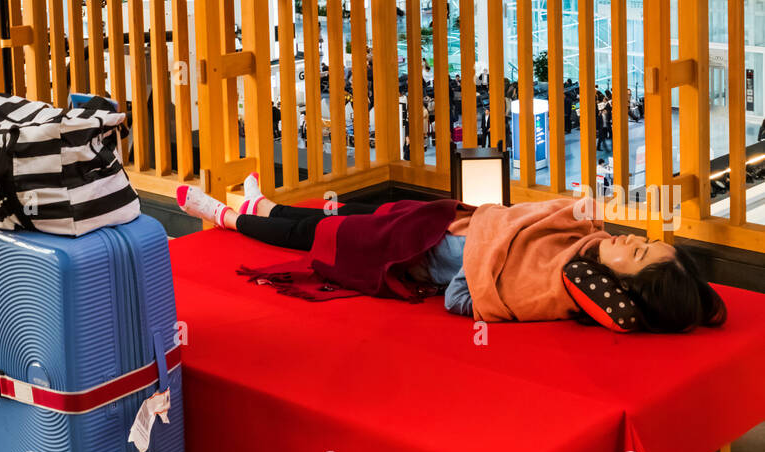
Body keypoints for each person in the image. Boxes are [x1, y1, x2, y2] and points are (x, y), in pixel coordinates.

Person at [178, 179, 727, 334]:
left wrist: (477, 257)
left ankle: (225, 215)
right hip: (445, 220)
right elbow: (528, 221)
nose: (630, 240)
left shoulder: (560, 284)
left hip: (413, 252)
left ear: (624, 284)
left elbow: (466, 297)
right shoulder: (582, 243)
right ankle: (261, 203)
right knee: (340, 211)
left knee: (318, 236)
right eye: (641, 240)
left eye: (637, 254)